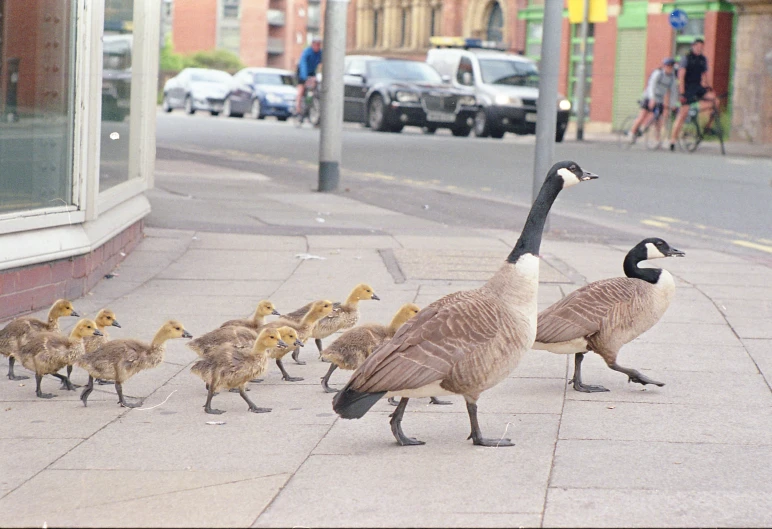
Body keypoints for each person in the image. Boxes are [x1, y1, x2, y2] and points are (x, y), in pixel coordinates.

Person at [669, 38, 718, 151]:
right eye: (698, 46)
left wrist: (708, 88)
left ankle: (707, 128)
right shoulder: (686, 58)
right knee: (682, 115)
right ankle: (672, 140)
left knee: (715, 101)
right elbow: (681, 76)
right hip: (687, 88)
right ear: (693, 46)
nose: (700, 48)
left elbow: (705, 75)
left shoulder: (702, 59)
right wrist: (682, 94)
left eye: (701, 46)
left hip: (698, 87)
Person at [629, 57, 679, 146]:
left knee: (658, 121)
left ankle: (657, 139)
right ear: (664, 66)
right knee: (643, 115)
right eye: (668, 66)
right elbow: (651, 86)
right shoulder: (658, 73)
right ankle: (632, 133)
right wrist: (652, 99)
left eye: (671, 67)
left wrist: (673, 104)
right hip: (649, 96)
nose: (670, 68)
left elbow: (673, 91)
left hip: (659, 99)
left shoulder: (672, 78)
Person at [295, 37, 322, 117]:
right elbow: (303, 64)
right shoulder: (307, 52)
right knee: (301, 89)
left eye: (319, 45)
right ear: (312, 45)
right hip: (302, 71)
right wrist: (304, 77)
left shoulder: (320, 53)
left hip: (312, 72)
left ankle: (310, 102)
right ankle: (298, 108)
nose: (317, 47)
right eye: (316, 45)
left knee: (313, 87)